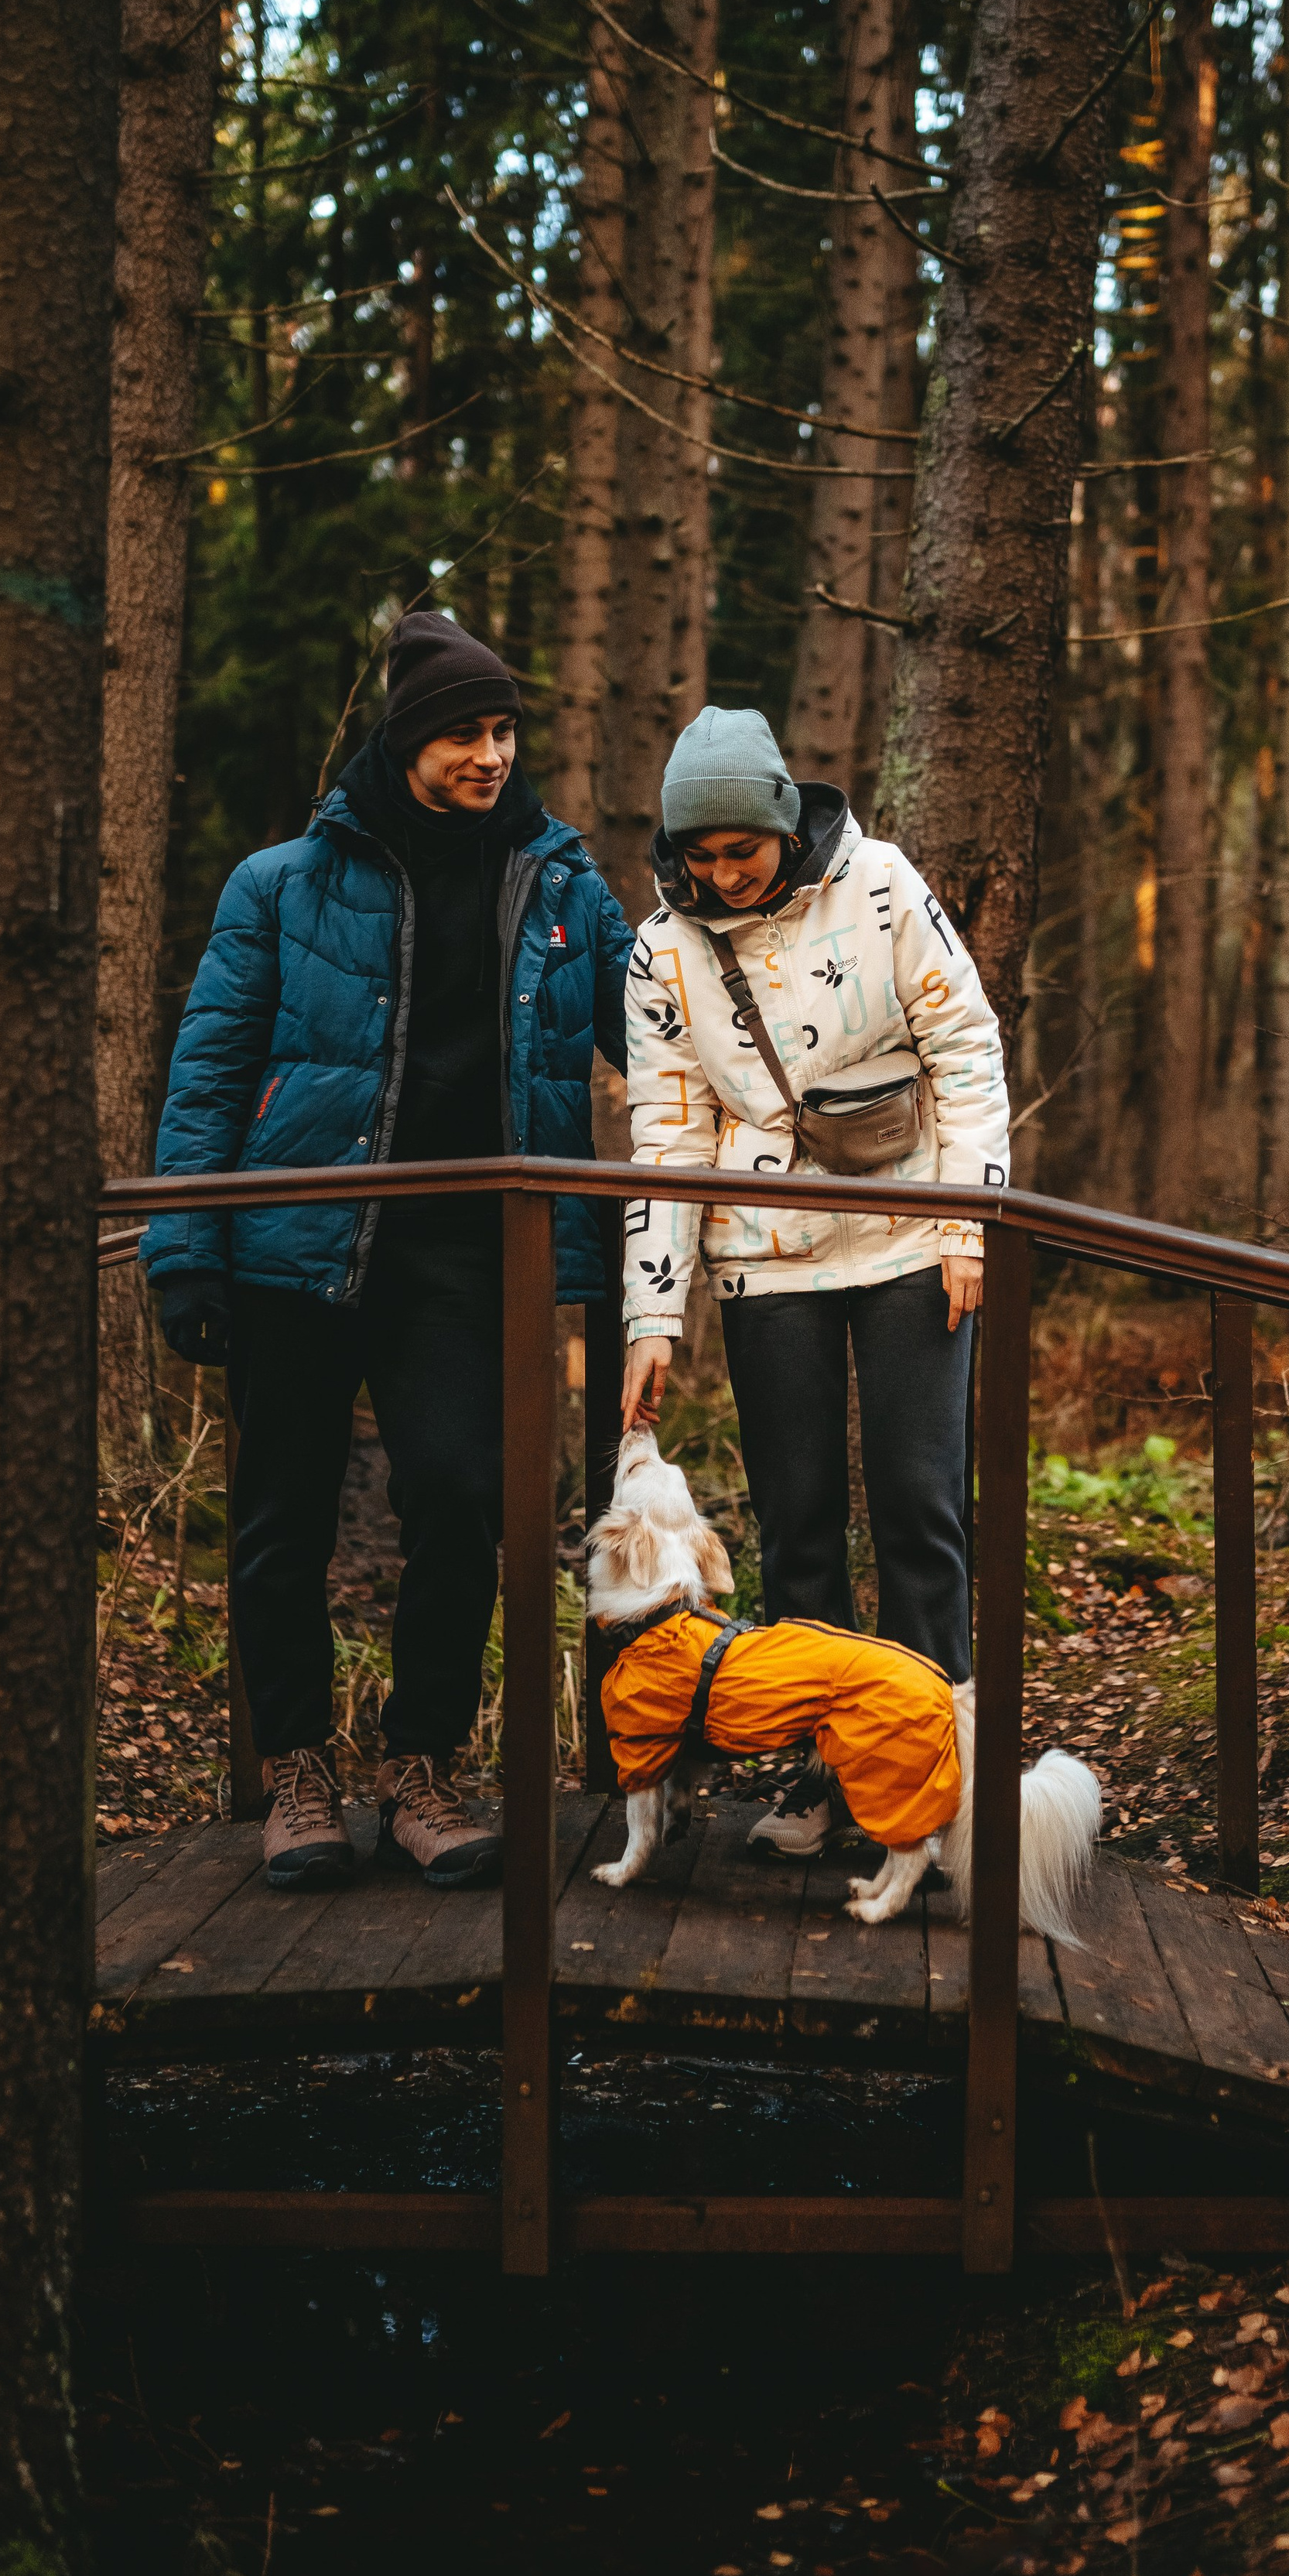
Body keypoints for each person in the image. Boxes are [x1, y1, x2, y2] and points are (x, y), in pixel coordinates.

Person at [142, 611, 634, 1892]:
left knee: (466, 1498)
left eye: (506, 729)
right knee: (282, 1518)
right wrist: (183, 1249)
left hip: (469, 1256)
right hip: (294, 1242)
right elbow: (209, 1075)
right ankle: (297, 1773)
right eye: (467, 730)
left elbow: (669, 1036)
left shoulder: (564, 887)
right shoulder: (281, 884)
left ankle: (421, 1767)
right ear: (409, 739)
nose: (492, 753)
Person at [619, 705, 1011, 1856]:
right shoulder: (661, 953)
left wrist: (967, 1227)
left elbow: (968, 1049)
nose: (725, 873)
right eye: (703, 854)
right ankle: (825, 1775)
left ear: (785, 825)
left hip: (910, 1234)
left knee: (920, 1507)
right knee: (796, 1524)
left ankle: (937, 1783)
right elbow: (668, 1137)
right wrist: (655, 1313)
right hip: (763, 1254)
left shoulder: (884, 886)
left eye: (744, 850)